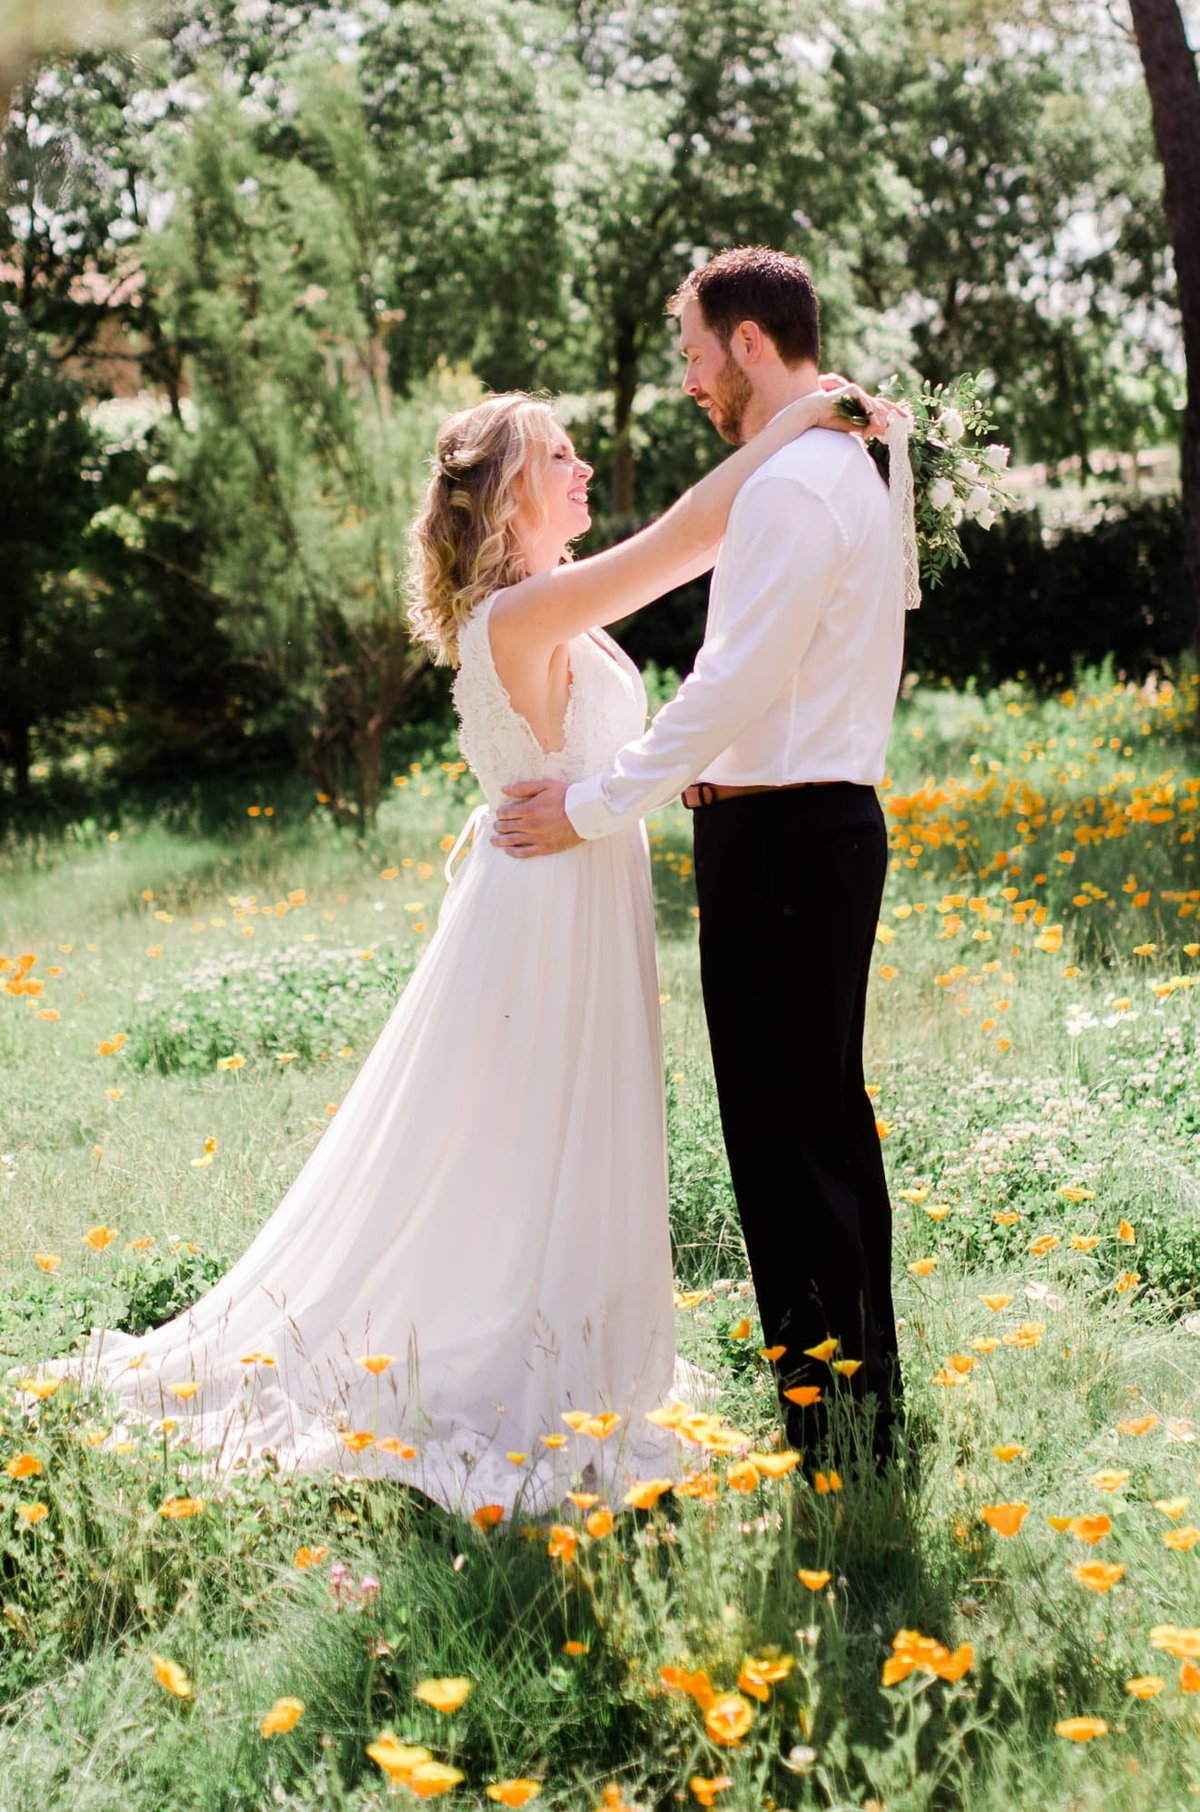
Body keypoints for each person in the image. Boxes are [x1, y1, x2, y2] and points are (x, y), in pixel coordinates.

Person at [34, 375, 887, 1516]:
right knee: (525, 1139)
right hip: (542, 914)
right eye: (561, 460)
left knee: (564, 1131)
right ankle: (505, 1350)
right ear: (504, 502)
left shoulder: (553, 606)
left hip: (576, 891)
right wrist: (791, 428)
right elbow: (690, 538)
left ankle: (568, 1340)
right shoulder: (517, 617)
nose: (584, 471)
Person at [494, 246, 908, 1475]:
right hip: (815, 834)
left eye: (691, 350)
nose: (687, 380)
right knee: (825, 1134)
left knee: (787, 1150)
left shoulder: (793, 492)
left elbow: (731, 686)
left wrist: (596, 804)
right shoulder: (845, 468)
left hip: (781, 839)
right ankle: (861, 1418)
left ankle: (830, 1441)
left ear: (745, 343)